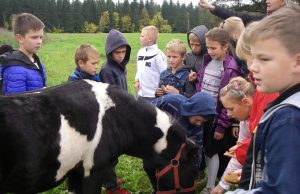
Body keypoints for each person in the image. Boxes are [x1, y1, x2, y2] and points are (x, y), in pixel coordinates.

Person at [226, 3, 300, 193]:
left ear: (297, 62)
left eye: (264, 59)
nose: (252, 67)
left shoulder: (288, 119)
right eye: (253, 58)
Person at [189, 28, 244, 194]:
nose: (210, 51)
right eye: (208, 47)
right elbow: (203, 86)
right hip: (203, 115)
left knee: (212, 151)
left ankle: (211, 186)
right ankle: (210, 178)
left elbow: (230, 100)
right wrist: (195, 81)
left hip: (215, 118)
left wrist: (221, 125)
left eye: (214, 48)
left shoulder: (230, 69)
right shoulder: (206, 61)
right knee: (205, 148)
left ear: (225, 47)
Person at [147, 92, 217, 193]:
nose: (199, 124)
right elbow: (147, 108)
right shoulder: (171, 101)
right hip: (155, 138)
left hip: (173, 148)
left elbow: (198, 147)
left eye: (202, 122)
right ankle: (156, 187)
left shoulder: (197, 127)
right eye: (198, 119)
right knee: (148, 165)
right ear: (192, 109)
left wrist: (195, 168)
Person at [99, 29, 131, 194]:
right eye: (117, 52)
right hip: (111, 117)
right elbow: (110, 96)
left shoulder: (121, 67)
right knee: (109, 154)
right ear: (109, 52)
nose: (120, 55)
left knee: (116, 152)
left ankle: (109, 177)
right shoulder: (107, 70)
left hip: (121, 114)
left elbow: (123, 91)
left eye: (123, 52)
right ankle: (111, 186)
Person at [211, 77, 255, 194]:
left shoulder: (264, 118)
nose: (229, 114)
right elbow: (239, 154)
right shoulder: (244, 122)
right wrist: (221, 186)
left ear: (245, 102)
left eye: (231, 109)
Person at [0, 13, 46, 95]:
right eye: (34, 37)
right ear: (20, 38)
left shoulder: (38, 63)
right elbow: (16, 103)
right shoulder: (15, 70)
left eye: (41, 37)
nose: (39, 41)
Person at [134, 25, 167, 102]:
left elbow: (164, 74)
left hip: (153, 96)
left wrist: (161, 90)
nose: (140, 38)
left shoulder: (158, 55)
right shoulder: (140, 52)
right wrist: (136, 80)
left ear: (149, 39)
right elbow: (139, 69)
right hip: (140, 94)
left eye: (142, 36)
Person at [198, 0, 288, 25]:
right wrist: (212, 8)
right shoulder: (265, 20)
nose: (266, 1)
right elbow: (240, 16)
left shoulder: (292, 22)